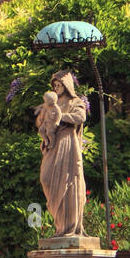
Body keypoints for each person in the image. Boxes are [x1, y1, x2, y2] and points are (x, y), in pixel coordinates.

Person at [35, 71, 87, 237]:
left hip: (67, 142)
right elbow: (40, 123)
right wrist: (44, 118)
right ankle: (60, 225)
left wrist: (60, 116)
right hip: (53, 144)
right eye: (54, 86)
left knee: (68, 180)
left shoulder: (75, 101)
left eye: (59, 85)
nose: (56, 88)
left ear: (67, 85)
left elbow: (80, 116)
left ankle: (68, 227)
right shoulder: (49, 105)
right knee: (46, 178)